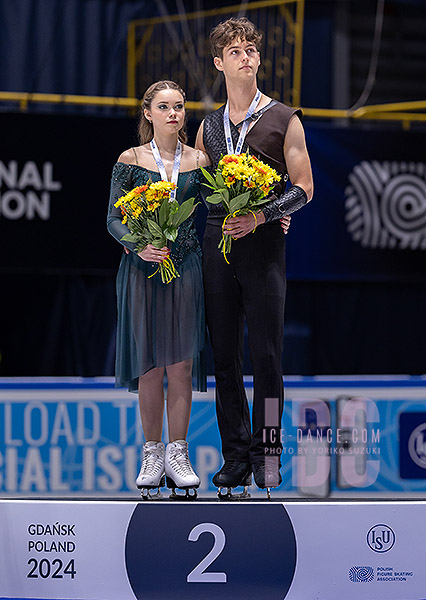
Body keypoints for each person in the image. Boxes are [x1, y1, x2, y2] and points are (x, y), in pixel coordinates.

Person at [195, 17, 314, 497]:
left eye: (252, 50)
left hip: (262, 249)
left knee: (265, 357)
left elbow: (305, 188)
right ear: (220, 62)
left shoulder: (286, 118)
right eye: (236, 52)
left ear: (259, 59)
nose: (246, 57)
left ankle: (267, 455)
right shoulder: (208, 127)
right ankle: (235, 458)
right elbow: (194, 187)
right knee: (223, 359)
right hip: (216, 245)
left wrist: (265, 217)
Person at [107, 80, 210, 498]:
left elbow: (223, 204)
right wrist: (137, 246)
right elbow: (113, 220)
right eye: (164, 107)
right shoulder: (129, 160)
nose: (173, 113)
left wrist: (263, 214)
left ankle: (179, 453)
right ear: (147, 113)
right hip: (141, 269)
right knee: (148, 365)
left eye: (179, 107)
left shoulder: (199, 159)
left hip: (185, 269)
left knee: (181, 365)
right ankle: (152, 454)